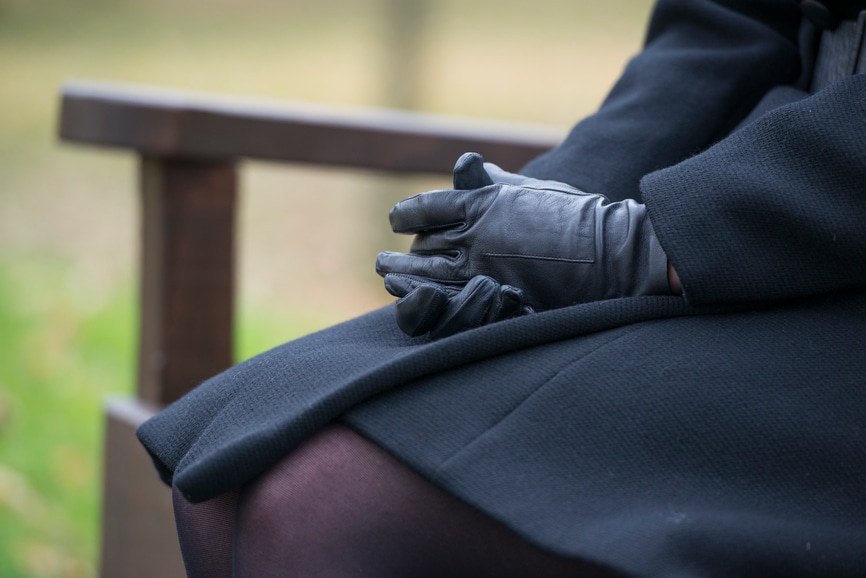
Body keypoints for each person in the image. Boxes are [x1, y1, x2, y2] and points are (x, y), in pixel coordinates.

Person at [137, 0, 866, 576]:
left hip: (818, 244)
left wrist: (648, 242)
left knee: (317, 508)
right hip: (732, 206)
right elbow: (727, 25)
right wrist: (555, 211)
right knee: (231, 470)